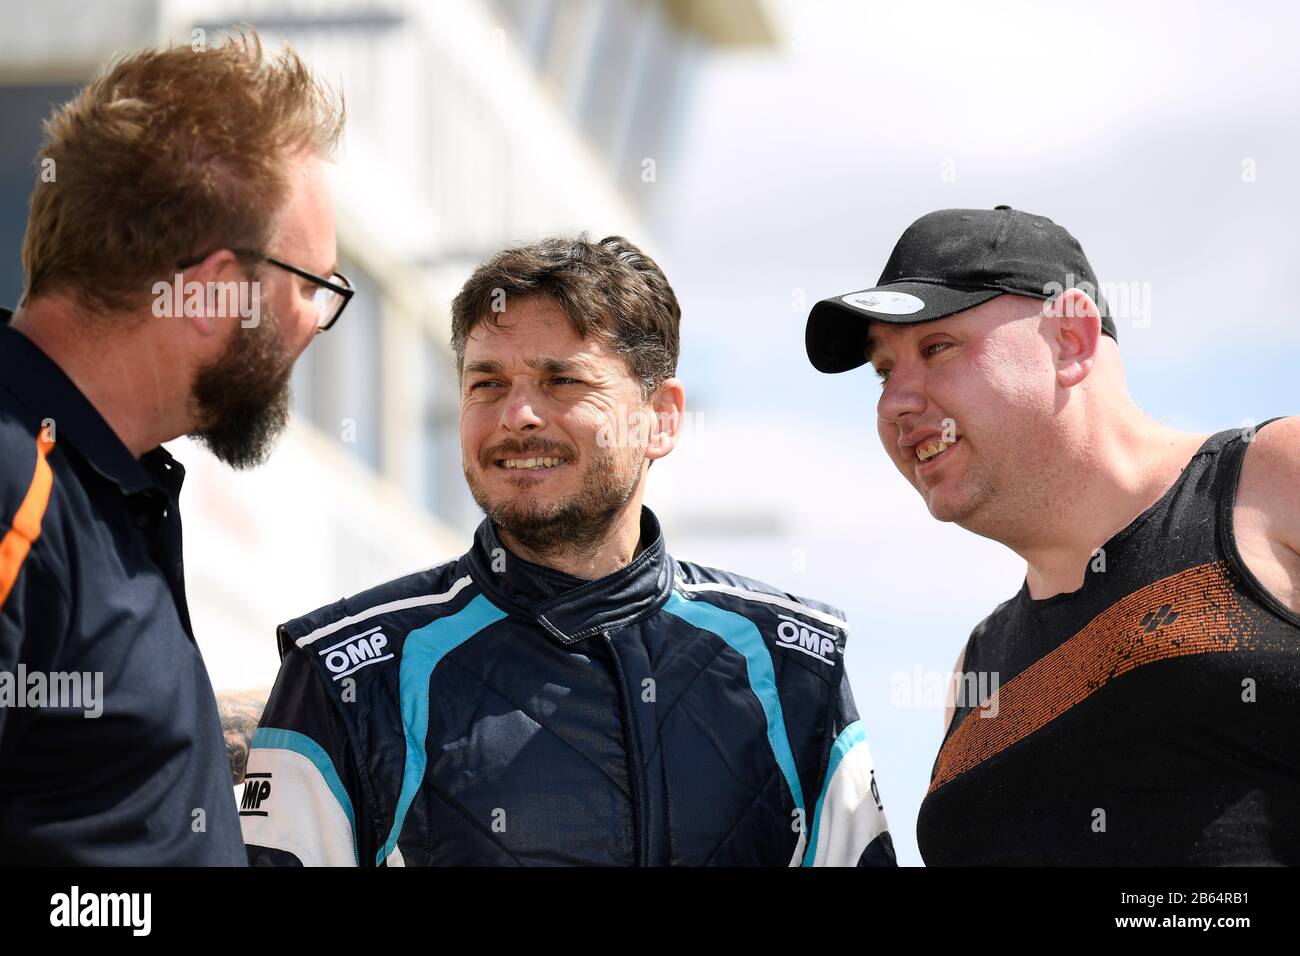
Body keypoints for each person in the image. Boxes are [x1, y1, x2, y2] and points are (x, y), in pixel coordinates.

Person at [242, 235, 895, 866]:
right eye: (487, 383)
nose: (517, 415)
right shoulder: (345, 675)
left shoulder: (796, 667)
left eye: (561, 381)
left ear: (661, 417)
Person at [805, 204, 1300, 865]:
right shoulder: (975, 671)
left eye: (938, 347)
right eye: (884, 370)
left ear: (1070, 338)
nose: (895, 401)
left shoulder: (1273, 481)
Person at [0, 30, 348, 864]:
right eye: (310, 286)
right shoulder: (17, 480)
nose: (315, 321)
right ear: (210, 290)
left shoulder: (100, 483)